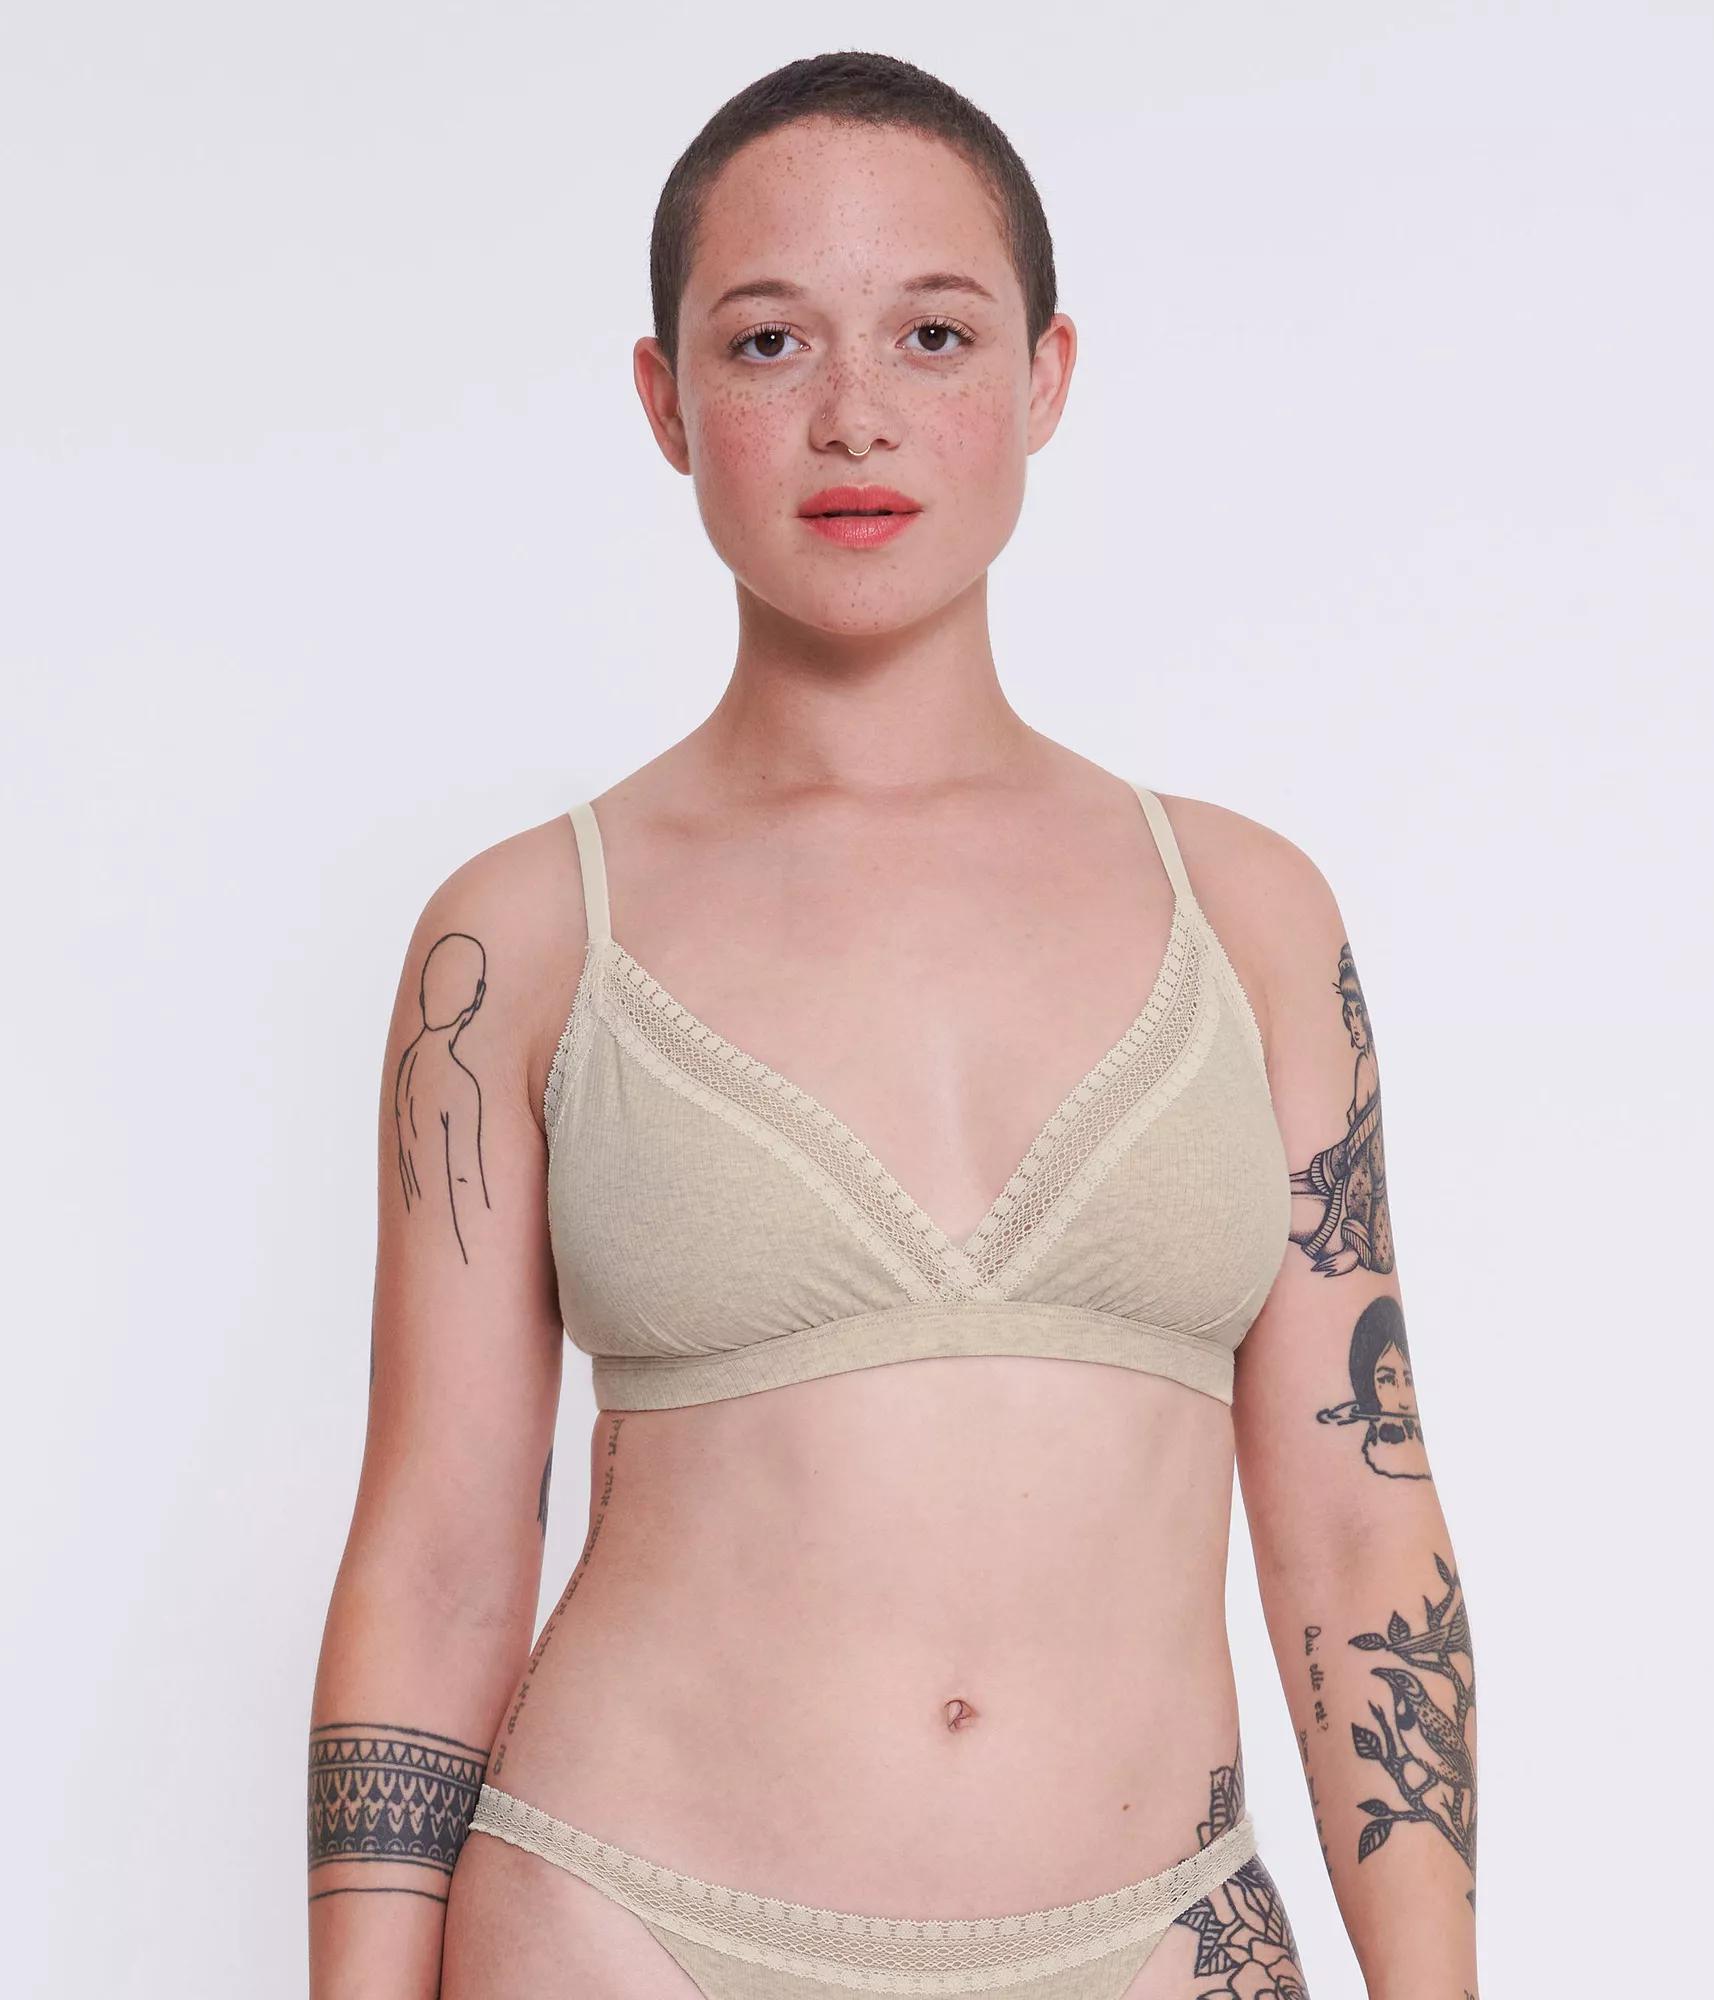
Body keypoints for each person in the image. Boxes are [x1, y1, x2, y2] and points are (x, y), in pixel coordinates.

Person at [307, 50, 1480, 2000]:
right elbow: (435, 1560)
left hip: (1156, 1941)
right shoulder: (523, 936)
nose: (854, 413)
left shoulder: (1249, 915)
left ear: (1045, 377)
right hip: (625, 1931)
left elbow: (1363, 1529)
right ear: (665, 401)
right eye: (768, 342)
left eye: (934, 333)